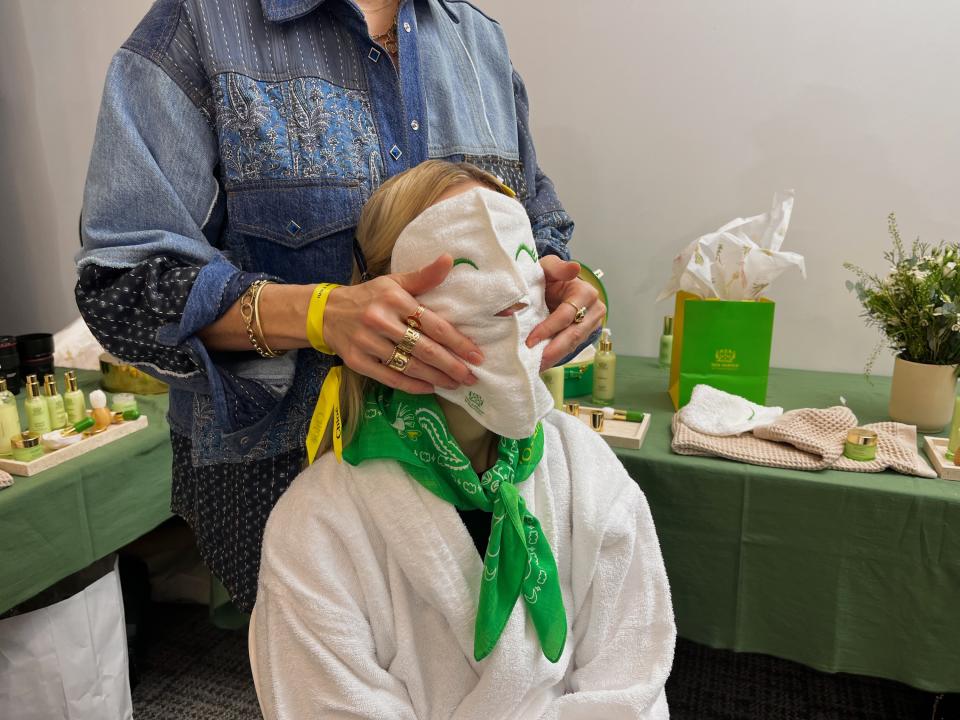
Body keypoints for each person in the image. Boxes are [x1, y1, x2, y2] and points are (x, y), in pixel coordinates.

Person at [75, 0, 604, 612]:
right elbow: (122, 289)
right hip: (288, 476)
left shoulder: (476, 40)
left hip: (482, 461)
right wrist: (319, 314)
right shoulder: (199, 28)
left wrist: (574, 287)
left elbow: (542, 232)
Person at [251, 160, 675, 719]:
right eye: (470, 265)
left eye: (522, 260)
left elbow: (631, 677)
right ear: (385, 303)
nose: (513, 296)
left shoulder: (586, 468)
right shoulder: (317, 526)